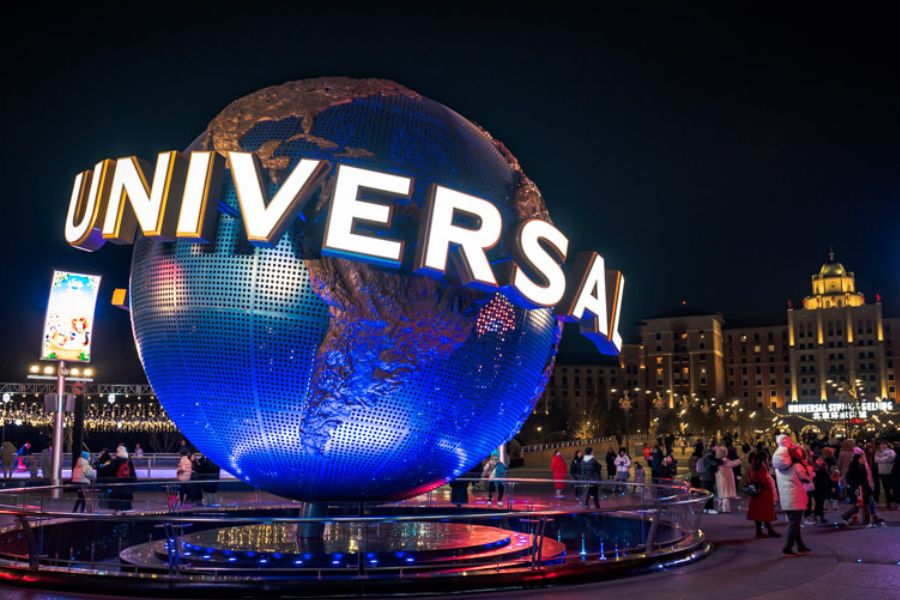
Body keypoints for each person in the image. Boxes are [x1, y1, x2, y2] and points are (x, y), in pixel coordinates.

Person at [772, 434, 811, 557]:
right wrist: (807, 468)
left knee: (794, 522)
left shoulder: (779, 466)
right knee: (794, 523)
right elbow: (806, 478)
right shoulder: (797, 465)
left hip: (787, 498)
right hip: (797, 496)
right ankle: (787, 549)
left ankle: (801, 546)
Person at [745, 450, 779, 538]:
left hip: (756, 493)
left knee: (758, 513)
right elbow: (764, 480)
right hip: (763, 493)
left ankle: (760, 531)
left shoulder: (754, 466)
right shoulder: (761, 467)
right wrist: (769, 487)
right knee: (765, 513)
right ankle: (769, 531)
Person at [107, 445, 137, 513]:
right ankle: (125, 513)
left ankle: (117, 512)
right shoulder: (128, 461)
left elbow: (109, 472)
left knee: (117, 502)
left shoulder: (114, 461)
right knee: (126, 503)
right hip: (127, 486)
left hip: (117, 485)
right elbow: (133, 474)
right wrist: (134, 486)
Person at [714, 446, 741, 513]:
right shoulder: (724, 460)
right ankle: (725, 509)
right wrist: (739, 460)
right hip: (725, 479)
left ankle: (719, 508)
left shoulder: (717, 461)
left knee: (721, 494)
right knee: (725, 495)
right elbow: (733, 464)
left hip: (720, 478)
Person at [698, 446, 721, 513]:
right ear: (712, 448)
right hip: (707, 478)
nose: (718, 449)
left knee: (707, 494)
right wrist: (721, 462)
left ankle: (706, 508)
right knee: (710, 494)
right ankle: (709, 509)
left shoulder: (708, 455)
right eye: (717, 448)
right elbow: (713, 464)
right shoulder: (709, 456)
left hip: (705, 478)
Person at [874, 441, 895, 509]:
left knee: (889, 488)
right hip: (881, 472)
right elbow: (876, 460)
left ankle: (890, 502)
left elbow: (891, 458)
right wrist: (883, 459)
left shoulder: (891, 451)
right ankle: (885, 502)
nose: (882, 445)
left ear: (887, 445)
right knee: (883, 488)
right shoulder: (878, 452)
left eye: (884, 444)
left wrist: (881, 459)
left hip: (889, 472)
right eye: (881, 444)